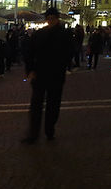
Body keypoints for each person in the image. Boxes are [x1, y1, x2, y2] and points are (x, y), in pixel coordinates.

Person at [22, 7, 74, 143]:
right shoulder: (39, 34)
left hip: (56, 74)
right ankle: (34, 134)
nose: (50, 21)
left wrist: (64, 66)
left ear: (57, 19)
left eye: (53, 18)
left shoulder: (64, 34)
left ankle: (49, 130)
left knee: (53, 104)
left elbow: (69, 53)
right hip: (41, 73)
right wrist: (31, 70)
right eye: (49, 18)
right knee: (36, 105)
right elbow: (29, 53)